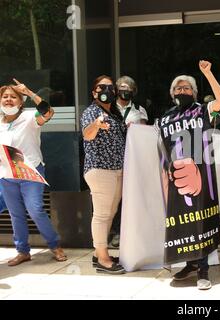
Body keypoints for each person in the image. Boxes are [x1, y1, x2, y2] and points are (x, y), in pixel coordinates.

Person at [162, 61, 220, 290]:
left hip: (202, 177)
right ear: (172, 94)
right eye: (178, 89)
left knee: (201, 223)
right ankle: (190, 264)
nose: (182, 91)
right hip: (177, 179)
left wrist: (207, 73)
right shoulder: (165, 118)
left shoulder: (202, 109)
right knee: (184, 225)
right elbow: (164, 150)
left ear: (194, 92)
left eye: (186, 88)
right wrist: (165, 182)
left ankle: (203, 270)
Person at [0, 80, 67, 266]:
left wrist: (29, 92)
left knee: (35, 209)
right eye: (5, 97)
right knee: (15, 214)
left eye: (13, 97)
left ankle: (55, 245)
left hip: (30, 172)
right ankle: (22, 251)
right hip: (7, 174)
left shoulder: (30, 116)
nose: (8, 100)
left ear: (20, 102)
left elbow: (48, 112)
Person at [81, 75, 127, 274]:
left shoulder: (115, 113)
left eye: (110, 87)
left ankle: (99, 252)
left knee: (110, 213)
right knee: (101, 214)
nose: (106, 90)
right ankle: (103, 259)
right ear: (94, 92)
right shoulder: (92, 112)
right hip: (100, 170)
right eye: (102, 87)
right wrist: (96, 125)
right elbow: (87, 134)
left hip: (116, 170)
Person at [108, 76, 149, 248]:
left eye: (129, 88)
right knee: (114, 196)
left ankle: (133, 230)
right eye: (122, 87)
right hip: (113, 157)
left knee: (130, 195)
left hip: (133, 157)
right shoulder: (108, 108)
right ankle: (115, 232)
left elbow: (145, 133)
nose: (126, 91)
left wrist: (137, 129)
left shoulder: (140, 109)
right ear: (116, 90)